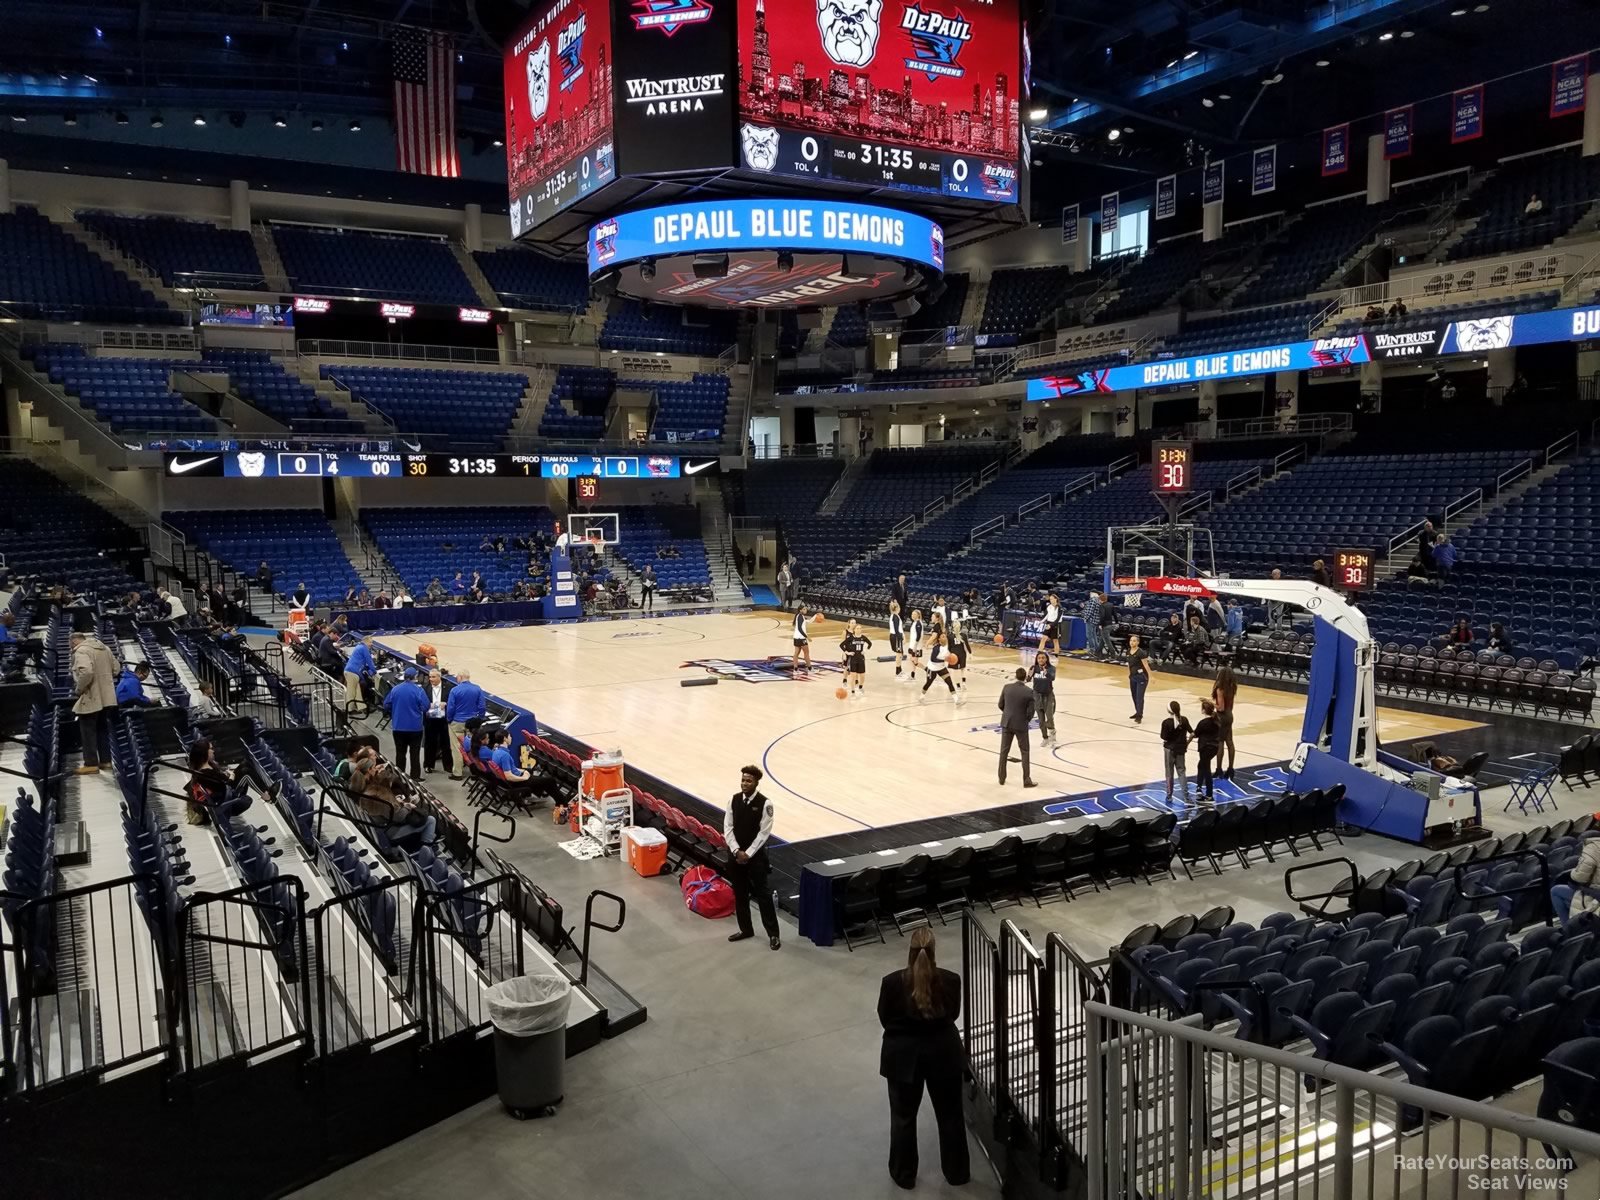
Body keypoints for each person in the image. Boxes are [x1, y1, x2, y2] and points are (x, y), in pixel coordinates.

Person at [878, 926, 969, 1190]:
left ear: (909, 952)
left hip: (902, 1058)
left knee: (903, 1118)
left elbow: (885, 1018)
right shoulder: (951, 980)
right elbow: (952, 1014)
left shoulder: (891, 983)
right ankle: (957, 1173)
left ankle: (903, 1174)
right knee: (951, 1116)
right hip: (944, 1053)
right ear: (934, 952)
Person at [723, 766, 780, 949]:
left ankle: (773, 934)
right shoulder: (733, 800)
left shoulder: (766, 804)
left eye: (748, 781)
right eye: (743, 780)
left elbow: (764, 833)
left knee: (763, 895)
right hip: (736, 856)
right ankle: (746, 929)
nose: (744, 783)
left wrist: (748, 853)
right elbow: (728, 827)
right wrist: (736, 851)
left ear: (756, 783)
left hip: (755, 858)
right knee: (740, 893)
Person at [348, 745, 436, 849]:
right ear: (370, 771)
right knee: (430, 820)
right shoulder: (377, 795)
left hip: (382, 826)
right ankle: (426, 852)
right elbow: (398, 817)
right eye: (375, 771)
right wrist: (407, 806)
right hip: (390, 831)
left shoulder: (363, 789)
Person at [70, 631, 118, 774]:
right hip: (107, 696)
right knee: (102, 729)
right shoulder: (105, 648)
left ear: (73, 642)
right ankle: (106, 761)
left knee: (87, 730)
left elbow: (86, 672)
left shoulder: (81, 651)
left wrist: (79, 689)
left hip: (91, 695)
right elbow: (116, 669)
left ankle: (91, 764)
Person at [185, 738, 255, 827]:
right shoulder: (204, 773)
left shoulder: (207, 767)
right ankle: (267, 796)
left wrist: (226, 775)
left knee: (245, 765)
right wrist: (232, 776)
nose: (213, 751)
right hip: (226, 800)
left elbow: (220, 782)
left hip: (225, 794)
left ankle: (267, 793)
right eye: (211, 749)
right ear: (204, 752)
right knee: (246, 773)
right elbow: (224, 788)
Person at [383, 667, 428, 781]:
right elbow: (426, 707)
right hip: (415, 728)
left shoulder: (395, 689)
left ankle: (399, 775)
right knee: (415, 754)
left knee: (400, 753)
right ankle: (415, 777)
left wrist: (395, 710)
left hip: (398, 727)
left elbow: (386, 704)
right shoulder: (419, 690)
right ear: (415, 677)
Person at [997, 668, 1037, 788]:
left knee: (1004, 751)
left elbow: (1000, 704)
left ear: (1015, 676)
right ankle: (1026, 780)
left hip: (1007, 723)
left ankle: (1001, 778)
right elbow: (1031, 712)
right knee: (1025, 752)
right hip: (1021, 725)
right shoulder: (1029, 692)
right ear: (1025, 677)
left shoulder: (1007, 687)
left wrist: (1008, 713)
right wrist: (1024, 719)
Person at [444, 669, 484, 781]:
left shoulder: (455, 690)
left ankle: (457, 773)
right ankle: (476, 772)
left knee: (457, 748)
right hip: (472, 723)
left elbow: (450, 708)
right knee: (473, 747)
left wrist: (449, 719)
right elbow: (482, 707)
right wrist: (479, 719)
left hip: (457, 722)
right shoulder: (477, 689)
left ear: (460, 677)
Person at [1552, 835, 1600, 927]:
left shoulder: (1594, 847)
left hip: (1595, 898)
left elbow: (1579, 877)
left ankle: (1568, 930)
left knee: (1556, 891)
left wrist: (1573, 873)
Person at [1160, 701, 1192, 803]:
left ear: (1169, 710)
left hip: (1169, 749)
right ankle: (1186, 797)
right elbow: (1192, 733)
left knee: (1169, 773)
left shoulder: (1166, 722)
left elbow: (1163, 737)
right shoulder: (1184, 720)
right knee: (1181, 772)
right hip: (1181, 749)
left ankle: (1169, 796)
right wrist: (1187, 743)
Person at [422, 668, 452, 773]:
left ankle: (448, 766)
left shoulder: (448, 688)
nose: (431, 679)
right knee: (429, 743)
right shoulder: (425, 687)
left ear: (440, 677)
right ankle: (428, 765)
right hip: (430, 720)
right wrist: (427, 705)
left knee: (446, 744)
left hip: (443, 720)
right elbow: (421, 702)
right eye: (430, 677)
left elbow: (452, 702)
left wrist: (446, 703)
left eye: (433, 677)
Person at [1212, 665, 1239, 780]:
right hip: (1230, 715)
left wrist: (1210, 704)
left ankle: (1219, 770)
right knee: (1230, 742)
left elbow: (1221, 707)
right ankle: (1231, 769)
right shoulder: (1232, 687)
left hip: (1222, 716)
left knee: (1220, 743)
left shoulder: (1220, 689)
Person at [1194, 700, 1221, 804]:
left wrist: (1187, 740)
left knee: (1206, 769)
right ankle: (1199, 788)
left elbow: (1196, 734)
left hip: (1205, 748)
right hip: (1214, 748)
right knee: (1201, 765)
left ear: (1203, 710)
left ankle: (1209, 796)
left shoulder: (1203, 723)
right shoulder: (1216, 721)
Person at [919, 632, 958, 702]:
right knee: (928, 683)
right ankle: (921, 696)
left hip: (941, 667)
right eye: (943, 636)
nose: (945, 638)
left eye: (945, 636)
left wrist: (953, 658)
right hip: (932, 668)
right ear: (939, 639)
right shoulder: (936, 648)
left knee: (949, 682)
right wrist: (944, 659)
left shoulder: (948, 646)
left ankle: (956, 700)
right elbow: (933, 659)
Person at [839, 620, 873, 700]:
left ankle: (860, 687)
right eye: (857, 628)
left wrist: (865, 650)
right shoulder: (851, 638)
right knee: (853, 676)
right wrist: (847, 652)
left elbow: (870, 644)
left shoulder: (863, 637)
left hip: (861, 659)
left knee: (862, 675)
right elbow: (841, 645)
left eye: (860, 628)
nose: (858, 629)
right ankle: (853, 692)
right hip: (853, 659)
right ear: (854, 630)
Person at [1029, 650, 1056, 747]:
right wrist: (1029, 675)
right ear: (1036, 659)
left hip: (1048, 695)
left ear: (1046, 659)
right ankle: (1045, 738)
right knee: (1041, 720)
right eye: (1039, 658)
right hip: (1037, 696)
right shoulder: (1034, 668)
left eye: (1043, 658)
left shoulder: (1051, 668)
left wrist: (1046, 673)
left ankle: (1053, 737)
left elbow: (1052, 678)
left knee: (1049, 717)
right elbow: (1027, 680)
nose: (1041, 659)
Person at [344, 636, 375, 716]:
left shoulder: (359, 646)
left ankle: (362, 707)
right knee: (351, 692)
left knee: (357, 691)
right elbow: (369, 660)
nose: (371, 644)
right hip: (352, 672)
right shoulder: (364, 648)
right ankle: (350, 710)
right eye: (370, 642)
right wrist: (374, 671)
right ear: (366, 642)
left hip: (352, 672)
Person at [1127, 633, 1152, 723]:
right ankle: (1137, 712)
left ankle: (1139, 715)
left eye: (1134, 641)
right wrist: (1129, 674)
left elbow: (1146, 665)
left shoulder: (1141, 652)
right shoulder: (1128, 651)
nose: (1132, 642)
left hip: (1142, 677)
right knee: (1134, 696)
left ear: (1138, 642)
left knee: (1139, 697)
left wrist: (1151, 677)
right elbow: (1129, 665)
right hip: (1133, 677)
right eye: (1131, 640)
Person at [791, 604, 821, 673]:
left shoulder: (799, 616)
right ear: (800, 610)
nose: (805, 610)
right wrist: (807, 637)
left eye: (806, 609)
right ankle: (810, 669)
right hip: (801, 638)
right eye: (804, 609)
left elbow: (809, 621)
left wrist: (815, 615)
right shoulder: (800, 617)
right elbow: (800, 629)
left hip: (796, 637)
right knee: (806, 653)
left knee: (796, 654)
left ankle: (795, 669)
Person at [948, 619, 972, 700]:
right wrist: (970, 654)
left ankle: (958, 686)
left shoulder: (950, 636)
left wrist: (948, 655)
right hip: (962, 654)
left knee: (954, 671)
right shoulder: (964, 635)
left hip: (954, 654)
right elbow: (967, 646)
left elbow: (949, 648)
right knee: (963, 669)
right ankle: (964, 683)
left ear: (952, 627)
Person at [888, 600, 908, 681]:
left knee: (900, 654)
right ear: (897, 608)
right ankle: (898, 672)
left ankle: (899, 670)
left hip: (896, 636)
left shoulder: (895, 616)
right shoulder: (895, 617)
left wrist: (903, 636)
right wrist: (901, 638)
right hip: (896, 636)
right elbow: (896, 629)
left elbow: (899, 628)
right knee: (898, 654)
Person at [1081, 591, 1105, 658]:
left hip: (1090, 620)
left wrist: (1085, 618)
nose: (1090, 595)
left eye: (1090, 593)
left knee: (1089, 635)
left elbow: (1090, 611)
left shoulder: (1093, 600)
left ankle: (1092, 650)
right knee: (1094, 635)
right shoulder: (1098, 600)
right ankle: (1097, 649)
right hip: (1095, 621)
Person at [905, 609, 926, 684]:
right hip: (912, 645)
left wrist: (915, 646)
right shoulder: (914, 623)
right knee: (912, 660)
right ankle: (912, 675)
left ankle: (927, 670)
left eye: (914, 614)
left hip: (916, 646)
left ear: (918, 615)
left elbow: (918, 635)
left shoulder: (918, 624)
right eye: (912, 614)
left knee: (915, 662)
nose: (912, 615)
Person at [1041, 593, 1062, 658]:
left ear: (1055, 599)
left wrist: (1051, 625)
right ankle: (1040, 651)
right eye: (1050, 599)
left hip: (1056, 624)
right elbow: (1047, 615)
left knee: (1055, 640)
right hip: (1048, 623)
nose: (1051, 600)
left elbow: (1058, 619)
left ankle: (1056, 654)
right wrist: (1042, 621)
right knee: (1043, 638)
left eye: (1052, 599)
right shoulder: (1049, 607)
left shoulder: (1059, 608)